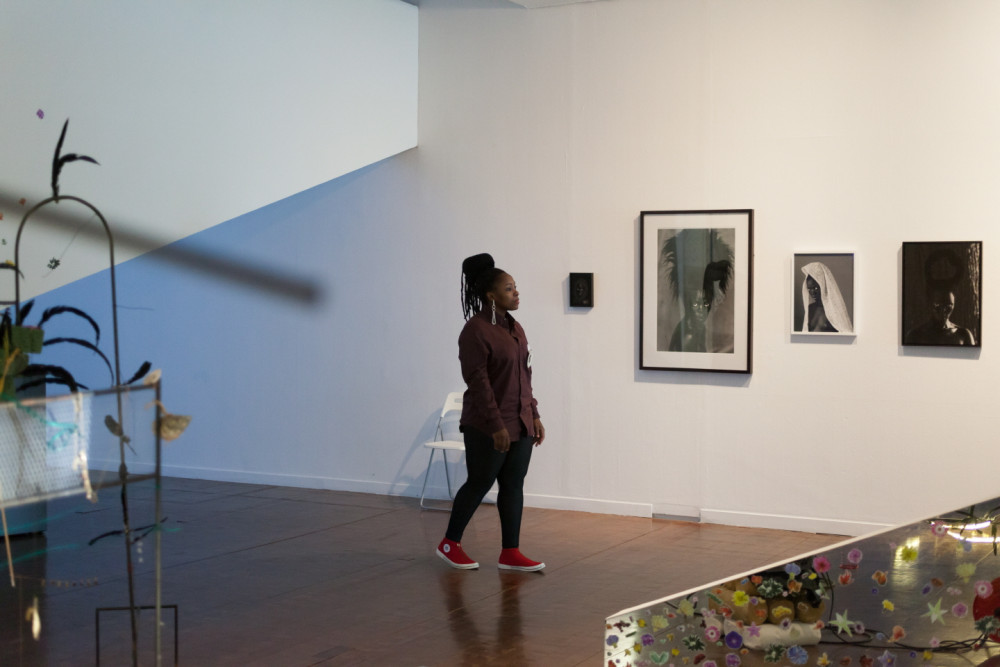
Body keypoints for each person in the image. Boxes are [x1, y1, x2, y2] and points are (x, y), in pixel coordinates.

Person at [436, 253, 546, 572]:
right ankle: (449, 543)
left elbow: (524, 375)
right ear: (491, 295)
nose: (516, 292)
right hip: (487, 424)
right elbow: (478, 382)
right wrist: (497, 425)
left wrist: (534, 414)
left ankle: (510, 552)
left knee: (513, 485)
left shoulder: (515, 328)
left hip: (520, 421)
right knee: (480, 482)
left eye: (515, 287)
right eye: (509, 288)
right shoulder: (476, 331)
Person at [799, 262, 853, 333]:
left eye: (815, 288)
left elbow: (846, 333)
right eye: (809, 289)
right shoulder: (810, 308)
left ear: (823, 286)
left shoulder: (833, 310)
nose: (812, 292)